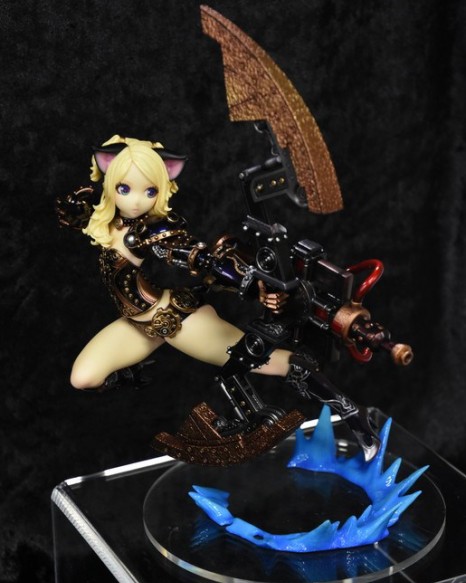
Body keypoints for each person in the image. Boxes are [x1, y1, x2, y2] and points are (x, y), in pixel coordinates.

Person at [56, 135, 380, 461]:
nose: (137, 201)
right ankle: (137, 370)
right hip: (137, 324)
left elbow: (195, 257)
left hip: (176, 319)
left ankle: (353, 414)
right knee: (84, 377)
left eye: (150, 191)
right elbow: (85, 215)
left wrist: (252, 285)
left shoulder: (151, 231)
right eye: (125, 189)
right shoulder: (106, 220)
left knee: (267, 361)